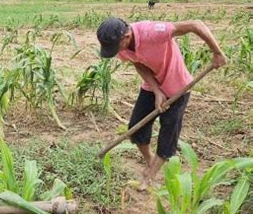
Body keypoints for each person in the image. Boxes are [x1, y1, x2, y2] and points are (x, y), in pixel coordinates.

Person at [96, 18, 227, 189]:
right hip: (152, 85)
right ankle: (151, 161)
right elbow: (138, 64)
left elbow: (196, 24)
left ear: (126, 36)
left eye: (115, 47)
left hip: (177, 85)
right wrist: (157, 91)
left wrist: (217, 52)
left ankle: (149, 177)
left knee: (168, 132)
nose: (116, 52)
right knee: (136, 127)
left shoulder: (153, 32)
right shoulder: (121, 46)